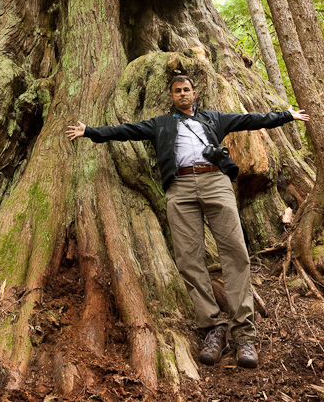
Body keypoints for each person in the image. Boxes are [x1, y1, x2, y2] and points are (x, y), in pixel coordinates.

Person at [66, 74, 309, 369]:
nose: (182, 94)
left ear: (195, 93)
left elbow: (249, 120)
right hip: (179, 188)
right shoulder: (161, 124)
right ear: (171, 96)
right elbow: (126, 131)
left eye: (187, 90)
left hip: (215, 181)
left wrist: (286, 115)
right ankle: (213, 329)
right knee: (188, 258)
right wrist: (89, 131)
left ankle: (244, 335)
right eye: (177, 91)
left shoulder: (213, 118)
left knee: (235, 252)